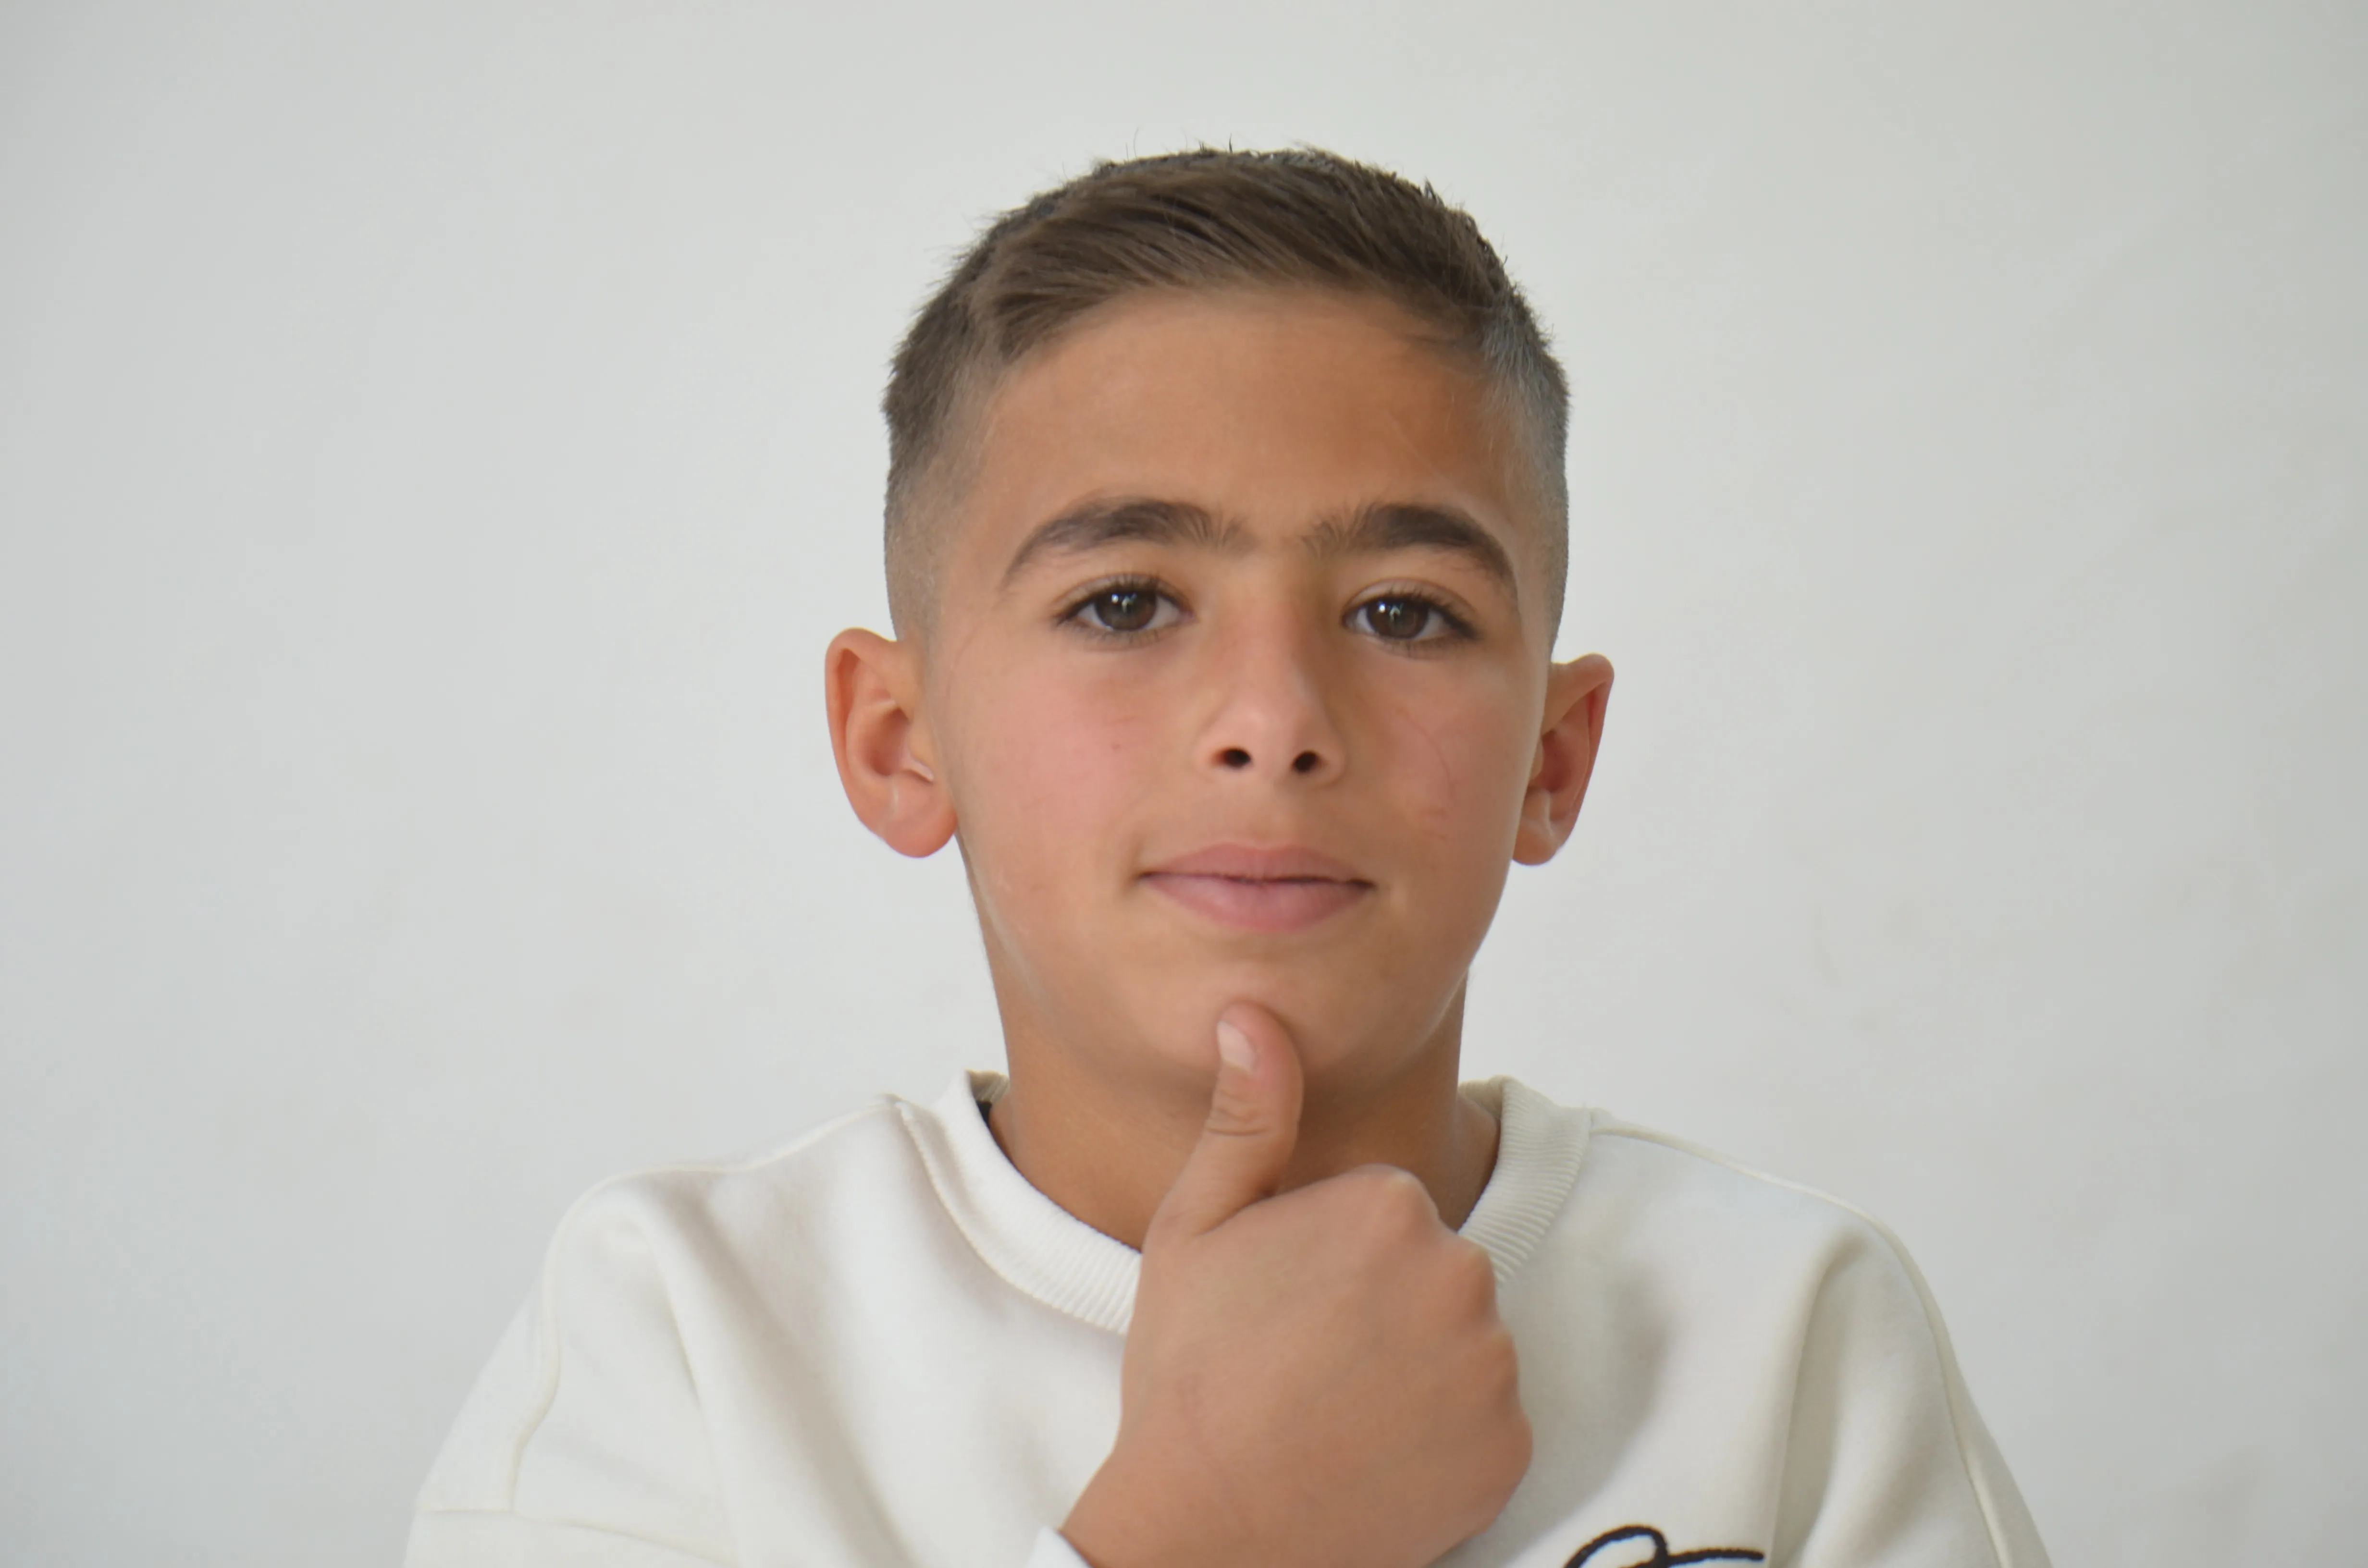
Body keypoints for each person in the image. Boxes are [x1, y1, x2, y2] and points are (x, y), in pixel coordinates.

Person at [405, 148, 2051, 1568]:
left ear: (1552, 762)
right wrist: (1201, 1531)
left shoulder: (1791, 1330)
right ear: (901, 742)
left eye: (1404, 613)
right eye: (1125, 603)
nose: (1274, 722)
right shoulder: (687, 1334)